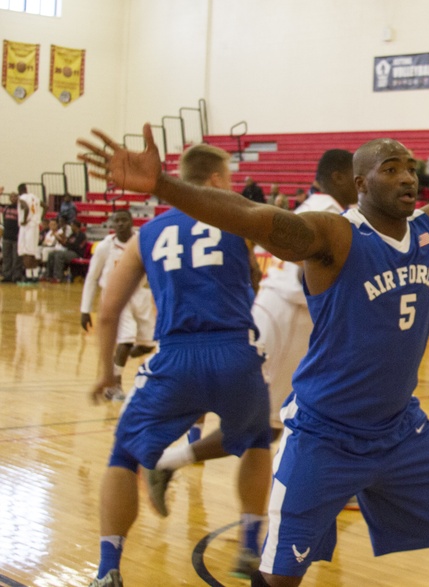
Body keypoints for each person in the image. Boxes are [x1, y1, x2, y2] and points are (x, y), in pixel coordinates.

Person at [79, 98, 429, 586]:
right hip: (326, 435)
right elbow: (254, 217)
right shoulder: (335, 235)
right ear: (361, 184)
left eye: (410, 167)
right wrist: (164, 188)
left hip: (400, 430)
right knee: (280, 577)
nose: (408, 176)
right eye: (392, 169)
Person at [82, 144, 273, 587]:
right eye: (226, 178)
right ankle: (248, 545)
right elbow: (254, 275)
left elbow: (109, 312)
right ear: (213, 181)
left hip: (175, 357)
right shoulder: (238, 217)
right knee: (258, 440)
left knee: (123, 455)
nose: (231, 186)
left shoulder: (146, 235)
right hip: (235, 352)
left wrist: (106, 372)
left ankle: (108, 569)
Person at [147, 149, 359, 496]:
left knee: (276, 424)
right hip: (286, 318)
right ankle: (168, 452)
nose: (361, 183)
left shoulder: (321, 209)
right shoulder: (325, 212)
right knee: (258, 423)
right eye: (355, 176)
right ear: (338, 177)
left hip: (290, 319)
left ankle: (325, 485)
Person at [80, 210, 157, 401]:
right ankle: (114, 386)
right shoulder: (105, 247)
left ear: (131, 222)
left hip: (140, 295)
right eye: (117, 221)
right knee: (126, 340)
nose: (121, 224)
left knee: (148, 345)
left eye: (124, 220)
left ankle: (116, 362)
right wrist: (85, 310)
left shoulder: (142, 241)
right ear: (112, 224)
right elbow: (91, 278)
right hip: (114, 296)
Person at [17, 183, 42, 285]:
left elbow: (26, 208)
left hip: (27, 226)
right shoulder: (35, 197)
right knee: (33, 251)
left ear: (20, 190)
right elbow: (46, 206)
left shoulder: (21, 198)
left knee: (25, 251)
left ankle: (28, 277)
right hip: (35, 225)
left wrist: (24, 220)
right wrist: (39, 218)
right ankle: (35, 276)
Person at [1, 193, 24, 282]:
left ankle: (16, 276)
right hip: (6, 236)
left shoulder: (20, 208)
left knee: (16, 258)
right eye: (12, 196)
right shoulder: (6, 208)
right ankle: (7, 276)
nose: (13, 198)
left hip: (17, 237)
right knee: (6, 257)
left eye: (15, 196)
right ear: (9, 198)